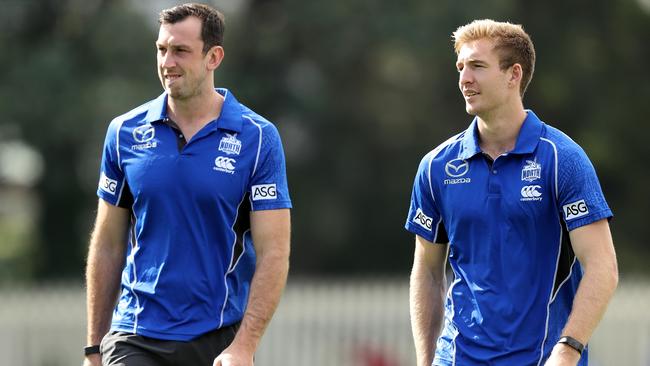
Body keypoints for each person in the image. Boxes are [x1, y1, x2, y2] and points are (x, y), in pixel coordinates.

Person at [83, 3, 291, 366]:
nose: (167, 62)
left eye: (181, 51)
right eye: (162, 50)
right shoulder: (123, 133)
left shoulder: (258, 140)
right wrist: (93, 347)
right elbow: (107, 244)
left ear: (214, 57)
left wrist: (244, 346)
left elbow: (274, 252)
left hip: (218, 339)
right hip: (135, 334)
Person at [405, 19, 618, 366]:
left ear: (513, 75)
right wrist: (426, 361)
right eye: (460, 67)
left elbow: (602, 266)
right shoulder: (436, 167)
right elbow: (428, 270)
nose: (464, 79)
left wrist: (567, 350)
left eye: (477, 66)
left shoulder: (562, 159)